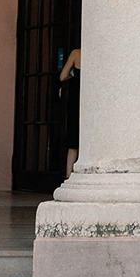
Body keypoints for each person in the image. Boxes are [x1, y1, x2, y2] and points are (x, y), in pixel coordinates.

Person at [59, 47, 81, 179]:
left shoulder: (76, 53)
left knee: (73, 137)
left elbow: (63, 76)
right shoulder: (97, 53)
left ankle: (68, 175)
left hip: (76, 98)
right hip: (93, 98)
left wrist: (74, 75)